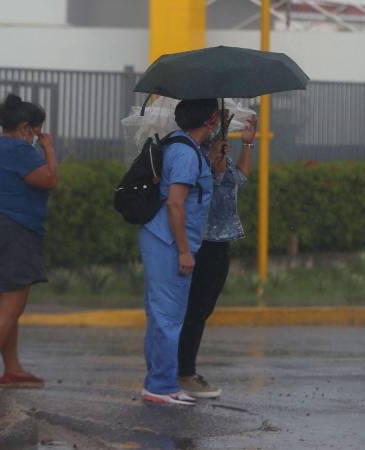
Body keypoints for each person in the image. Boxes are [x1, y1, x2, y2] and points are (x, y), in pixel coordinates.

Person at [0, 93, 58, 388]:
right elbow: (50, 179)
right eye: (38, 132)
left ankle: (13, 367)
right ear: (26, 128)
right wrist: (49, 148)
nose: (38, 137)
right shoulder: (20, 149)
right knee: (13, 305)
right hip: (14, 232)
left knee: (7, 302)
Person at [139, 98, 218, 406]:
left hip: (164, 239)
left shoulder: (185, 148)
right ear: (210, 120)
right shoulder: (185, 153)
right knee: (166, 317)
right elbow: (175, 203)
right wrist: (185, 252)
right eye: (218, 117)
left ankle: (162, 383)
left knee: (164, 316)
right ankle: (159, 387)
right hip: (169, 242)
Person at [178, 114, 257, 398]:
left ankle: (183, 369)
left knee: (202, 310)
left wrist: (247, 146)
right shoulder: (196, 152)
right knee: (194, 310)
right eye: (217, 119)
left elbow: (239, 179)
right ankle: (184, 372)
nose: (221, 123)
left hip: (221, 239)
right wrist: (218, 151)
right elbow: (213, 175)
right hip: (204, 240)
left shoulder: (218, 148)